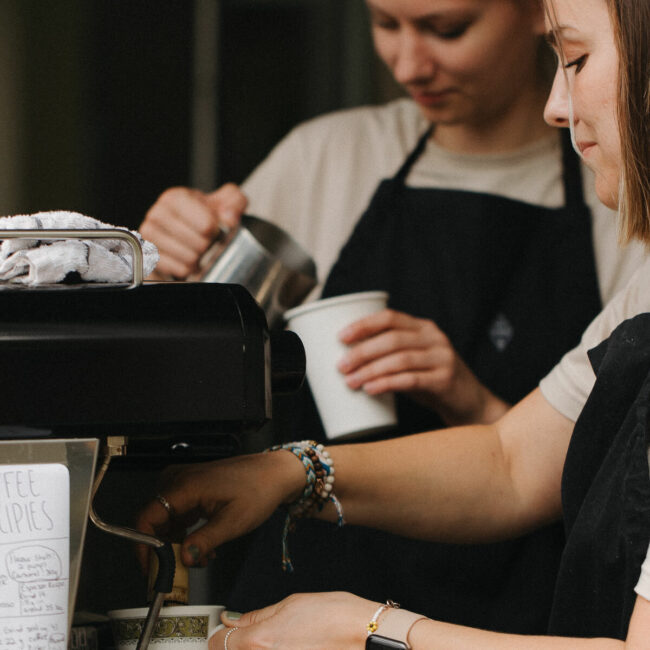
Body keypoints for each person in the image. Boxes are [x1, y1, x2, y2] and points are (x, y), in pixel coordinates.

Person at [137, 0, 650, 645]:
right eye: (386, 24)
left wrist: (367, 631)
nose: (558, 105)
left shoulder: (612, 217)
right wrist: (288, 472)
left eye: (574, 58)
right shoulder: (646, 292)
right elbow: (511, 460)